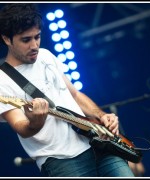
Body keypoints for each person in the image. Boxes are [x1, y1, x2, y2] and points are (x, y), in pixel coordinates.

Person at [0, 3, 135, 177]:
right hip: (62, 161)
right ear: (6, 39)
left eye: (37, 37)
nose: (34, 45)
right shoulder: (3, 80)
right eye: (26, 40)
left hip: (98, 143)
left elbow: (75, 94)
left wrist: (101, 116)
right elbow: (21, 127)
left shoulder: (46, 55)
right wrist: (35, 121)